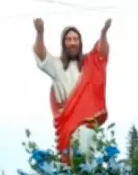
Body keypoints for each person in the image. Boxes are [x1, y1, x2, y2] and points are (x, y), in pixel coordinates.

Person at [32, 17, 111, 163]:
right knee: (68, 162)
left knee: (85, 156)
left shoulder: (89, 63)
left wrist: (103, 33)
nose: (73, 43)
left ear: (80, 42)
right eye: (69, 39)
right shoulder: (57, 65)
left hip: (86, 123)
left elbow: (101, 54)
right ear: (63, 43)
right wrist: (40, 32)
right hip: (67, 121)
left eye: (76, 39)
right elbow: (41, 55)